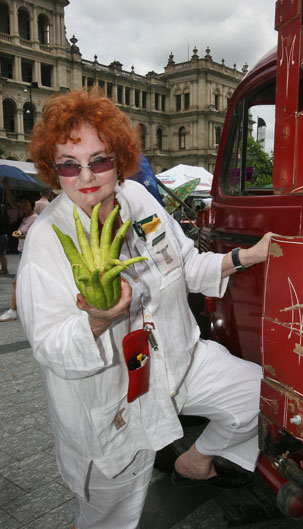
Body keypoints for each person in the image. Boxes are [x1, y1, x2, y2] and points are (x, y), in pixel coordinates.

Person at [16, 89, 272, 529]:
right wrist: (98, 320)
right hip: (114, 397)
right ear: (53, 170)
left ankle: (195, 461)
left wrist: (247, 256)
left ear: (120, 158)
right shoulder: (46, 240)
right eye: (69, 166)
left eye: (100, 160)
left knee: (261, 396)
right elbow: (48, 345)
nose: (88, 176)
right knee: (110, 517)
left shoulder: (139, 199)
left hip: (181, 361)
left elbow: (186, 264)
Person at [0, 178, 38, 321]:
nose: (22, 205)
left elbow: (31, 233)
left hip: (30, 254)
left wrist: (19, 233)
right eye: (21, 203)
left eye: (25, 203)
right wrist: (7, 187)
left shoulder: (35, 218)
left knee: (17, 282)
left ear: (31, 204)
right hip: (23, 253)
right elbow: (11, 202)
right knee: (27, 282)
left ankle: (13, 310)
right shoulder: (24, 216)